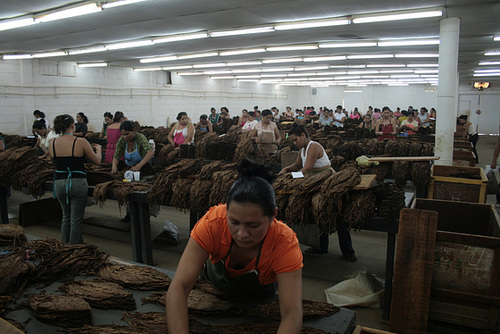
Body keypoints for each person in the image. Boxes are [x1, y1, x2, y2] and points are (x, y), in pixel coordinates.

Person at [166, 159, 303, 333]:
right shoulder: (213, 223)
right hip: (210, 294)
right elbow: (179, 287)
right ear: (227, 211)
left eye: (253, 225)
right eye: (234, 222)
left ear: (273, 216)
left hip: (259, 302)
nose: (242, 234)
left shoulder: (285, 243)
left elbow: (292, 314)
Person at [279, 124, 357, 262]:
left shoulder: (313, 146)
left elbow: (307, 169)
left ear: (303, 135)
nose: (294, 143)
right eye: (292, 141)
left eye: (295, 140)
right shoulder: (302, 150)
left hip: (326, 180)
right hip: (314, 181)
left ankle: (348, 251)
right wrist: (286, 169)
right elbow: (298, 166)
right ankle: (321, 247)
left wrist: (292, 176)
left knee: (336, 213)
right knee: (316, 212)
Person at [48, 114, 101, 244]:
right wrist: (98, 149)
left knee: (66, 216)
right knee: (76, 220)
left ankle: (64, 246)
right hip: (77, 183)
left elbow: (52, 162)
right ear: (73, 125)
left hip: (59, 183)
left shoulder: (52, 143)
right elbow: (97, 161)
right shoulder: (80, 141)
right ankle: (74, 249)